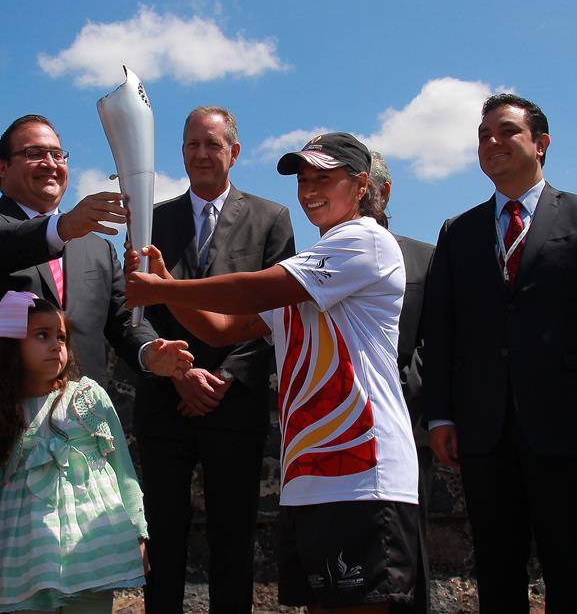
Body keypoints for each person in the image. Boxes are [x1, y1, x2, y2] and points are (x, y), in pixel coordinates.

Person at [125, 133, 420, 613]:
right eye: (303, 179)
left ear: (361, 184)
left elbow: (252, 290)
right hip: (308, 476)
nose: (310, 190)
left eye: (324, 177)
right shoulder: (311, 269)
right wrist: (169, 284)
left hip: (362, 471)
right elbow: (224, 328)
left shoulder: (364, 241)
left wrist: (164, 291)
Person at [0, 114, 192, 612]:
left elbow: (122, 319)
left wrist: (150, 352)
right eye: (34, 153)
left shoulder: (96, 248)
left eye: (58, 153)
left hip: (74, 461)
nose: (50, 162)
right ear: (1, 168)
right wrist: (58, 228)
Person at [424, 93, 577, 612]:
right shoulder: (458, 231)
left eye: (506, 132)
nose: (492, 142)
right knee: (496, 568)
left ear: (541, 143)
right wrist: (440, 414)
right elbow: (442, 330)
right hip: (484, 428)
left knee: (569, 564)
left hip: (565, 425)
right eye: (484, 136)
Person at [133, 106, 295, 612]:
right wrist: (177, 371)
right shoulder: (150, 220)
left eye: (212, 144)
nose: (201, 154)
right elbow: (133, 307)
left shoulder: (271, 219)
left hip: (234, 405)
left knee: (234, 539)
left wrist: (225, 375)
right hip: (165, 403)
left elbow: (277, 311)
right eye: (192, 145)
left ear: (234, 152)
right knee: (161, 538)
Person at [0, 292, 149, 614]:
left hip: (93, 551)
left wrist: (139, 531)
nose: (56, 345)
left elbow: (123, 469)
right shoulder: (2, 415)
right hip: (25, 558)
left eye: (62, 337)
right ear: (11, 346)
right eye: (42, 335)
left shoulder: (88, 398)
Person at [369, 152, 434, 613]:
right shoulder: (313, 264)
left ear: (383, 191)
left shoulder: (425, 258)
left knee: (411, 555)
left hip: (408, 427)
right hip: (338, 437)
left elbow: (439, 339)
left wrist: (395, 391)